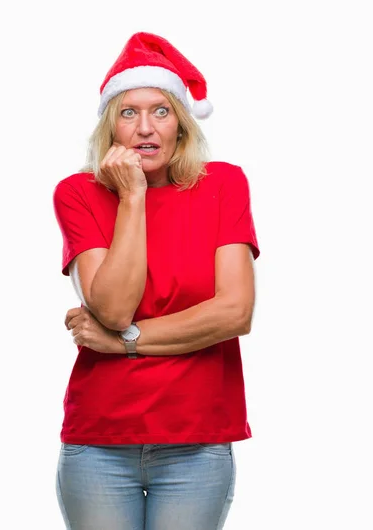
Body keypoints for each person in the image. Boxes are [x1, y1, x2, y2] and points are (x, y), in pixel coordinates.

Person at [52, 32, 260, 530]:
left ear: (182, 126)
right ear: (111, 127)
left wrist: (121, 343)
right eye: (128, 113)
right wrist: (133, 196)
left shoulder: (225, 185)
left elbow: (235, 313)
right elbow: (115, 306)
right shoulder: (78, 194)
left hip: (198, 441)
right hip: (100, 443)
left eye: (161, 111)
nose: (145, 128)